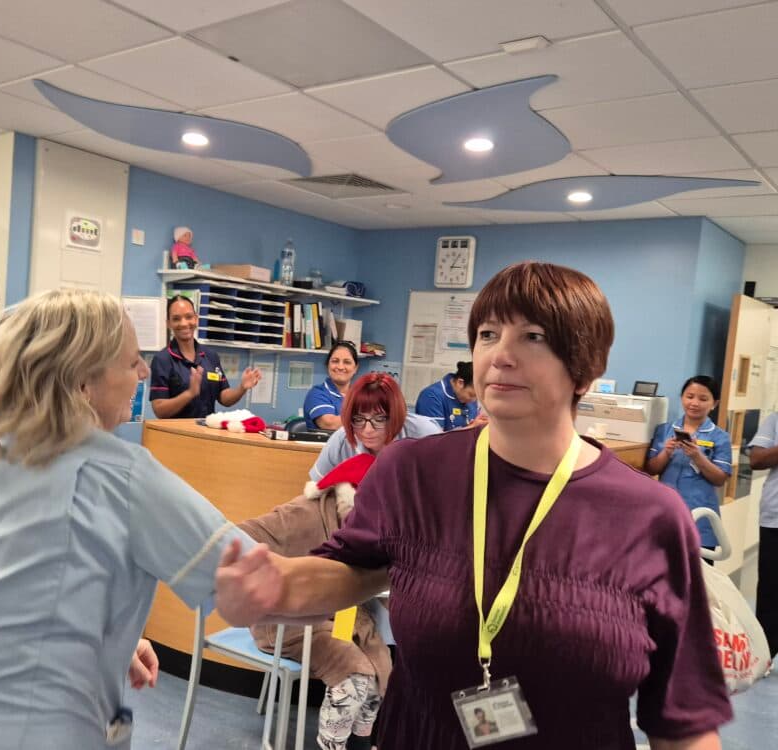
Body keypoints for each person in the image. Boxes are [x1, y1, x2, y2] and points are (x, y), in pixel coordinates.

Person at [214, 261, 731, 749]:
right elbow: (355, 569)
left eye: (533, 336)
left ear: (584, 368)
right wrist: (276, 584)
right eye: (488, 334)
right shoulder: (411, 471)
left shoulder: (649, 516)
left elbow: (682, 718)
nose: (500, 354)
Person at [0, 289, 267, 750]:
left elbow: (3, 595)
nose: (143, 373)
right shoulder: (124, 477)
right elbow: (262, 583)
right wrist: (366, 561)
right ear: (83, 382)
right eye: (131, 364)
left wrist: (109, 639)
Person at [240, 453, 391, 750]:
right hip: (287, 620)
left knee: (382, 668)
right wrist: (279, 584)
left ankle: (359, 744)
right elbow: (239, 537)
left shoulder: (369, 524)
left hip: (343, 612)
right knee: (355, 674)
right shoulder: (302, 513)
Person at [646, 376, 732, 554]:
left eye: (703, 399)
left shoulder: (720, 437)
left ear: (714, 403)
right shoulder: (664, 430)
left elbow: (720, 478)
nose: (694, 403)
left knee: (699, 577)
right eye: (689, 396)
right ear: (682, 398)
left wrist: (698, 456)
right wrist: (666, 452)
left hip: (700, 518)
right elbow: (651, 469)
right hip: (665, 513)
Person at [309, 372, 439, 481]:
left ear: (396, 414)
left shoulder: (425, 435)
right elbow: (316, 490)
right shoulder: (341, 441)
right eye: (358, 419)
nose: (368, 430)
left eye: (379, 419)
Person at [149, 295, 261, 418]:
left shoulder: (211, 356)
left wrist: (242, 388)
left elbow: (224, 397)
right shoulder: (162, 360)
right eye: (176, 319)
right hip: (177, 435)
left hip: (206, 432)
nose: (184, 323)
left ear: (196, 319)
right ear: (168, 324)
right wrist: (189, 394)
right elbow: (159, 409)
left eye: (189, 317)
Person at [748, 410, 778, 657]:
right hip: (775, 517)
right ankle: (765, 651)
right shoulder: (775, 420)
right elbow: (756, 460)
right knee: (770, 586)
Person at [303, 341, 360, 429]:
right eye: (335, 361)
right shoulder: (317, 393)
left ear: (355, 368)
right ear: (327, 365)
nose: (340, 367)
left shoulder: (361, 395)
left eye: (347, 362)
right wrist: (366, 419)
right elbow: (329, 423)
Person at [414, 360, 480, 431]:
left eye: (478, 396)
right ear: (460, 383)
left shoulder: (470, 399)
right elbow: (433, 438)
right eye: (471, 395)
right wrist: (471, 427)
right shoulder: (431, 396)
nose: (473, 400)